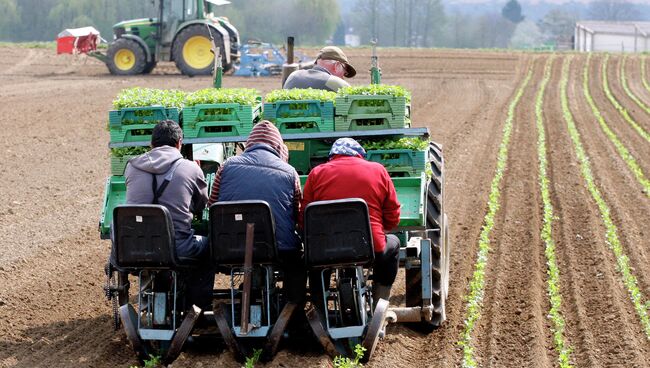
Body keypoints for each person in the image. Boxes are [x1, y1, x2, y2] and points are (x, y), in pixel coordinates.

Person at [207, 121, 305, 304]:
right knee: (297, 266)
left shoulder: (226, 166)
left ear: (249, 144)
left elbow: (212, 205)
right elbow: (295, 211)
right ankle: (294, 316)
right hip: (278, 248)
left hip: (230, 246)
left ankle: (202, 307)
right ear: (278, 146)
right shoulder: (290, 172)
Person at [119, 119, 212, 307]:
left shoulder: (131, 166)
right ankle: (197, 305)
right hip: (178, 248)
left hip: (135, 248)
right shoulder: (190, 167)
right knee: (211, 247)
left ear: (151, 144)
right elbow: (202, 204)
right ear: (179, 143)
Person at [300, 138, 401, 305]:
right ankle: (380, 303)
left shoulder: (316, 173)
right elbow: (392, 212)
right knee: (394, 244)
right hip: (370, 246)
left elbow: (304, 215)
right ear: (359, 155)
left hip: (326, 247)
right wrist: (385, 228)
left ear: (332, 156)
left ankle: (319, 309)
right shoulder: (378, 170)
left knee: (316, 265)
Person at [283, 46, 357, 92]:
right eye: (344, 73)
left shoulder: (293, 75)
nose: (343, 78)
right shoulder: (335, 83)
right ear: (337, 66)